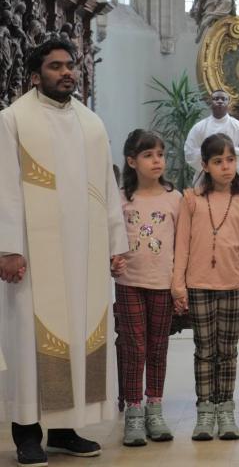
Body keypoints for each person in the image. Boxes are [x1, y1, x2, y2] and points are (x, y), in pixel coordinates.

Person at [0, 39, 128, 466]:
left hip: (85, 254)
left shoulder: (91, 123)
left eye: (70, 65)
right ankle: (26, 433)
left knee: (78, 333)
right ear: (36, 75)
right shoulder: (12, 119)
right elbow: (5, 189)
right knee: (30, 341)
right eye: (56, 66)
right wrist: (9, 248)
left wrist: (116, 244)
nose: (67, 72)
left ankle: (65, 429)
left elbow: (108, 190)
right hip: (35, 257)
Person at [171, 133, 239, 441]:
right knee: (205, 351)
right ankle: (205, 411)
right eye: (218, 161)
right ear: (205, 165)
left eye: (230, 160)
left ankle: (226, 409)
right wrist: (178, 286)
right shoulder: (191, 200)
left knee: (228, 351)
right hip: (198, 285)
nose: (226, 167)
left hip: (232, 285)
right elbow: (181, 245)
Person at [115, 129, 181, 447]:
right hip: (129, 283)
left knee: (157, 348)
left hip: (162, 283)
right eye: (148, 155)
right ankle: (134, 411)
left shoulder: (174, 198)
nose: (157, 161)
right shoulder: (121, 199)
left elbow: (182, 245)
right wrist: (111, 259)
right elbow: (111, 239)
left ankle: (155, 407)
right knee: (134, 349)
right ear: (131, 161)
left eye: (160, 154)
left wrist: (179, 283)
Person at [184, 89, 239, 185]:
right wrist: (210, 160)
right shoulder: (199, 127)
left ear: (228, 102)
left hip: (233, 177)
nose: (220, 101)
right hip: (206, 177)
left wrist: (231, 152)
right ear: (210, 102)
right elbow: (190, 152)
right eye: (216, 98)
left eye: (223, 99)